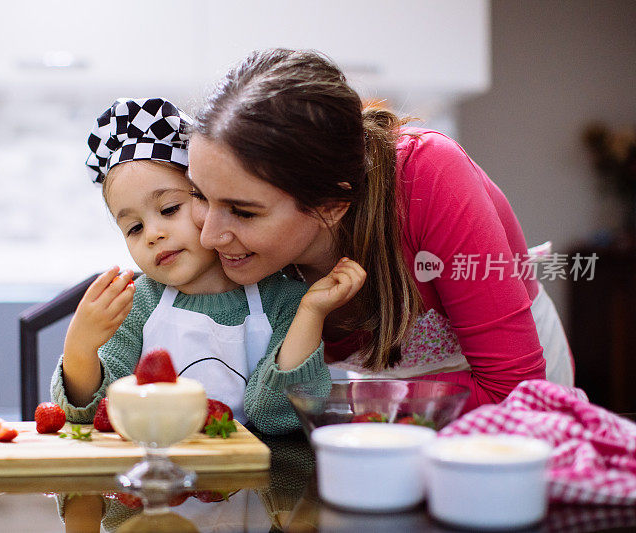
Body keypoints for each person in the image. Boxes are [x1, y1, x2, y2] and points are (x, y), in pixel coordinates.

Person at [186, 49, 574, 412]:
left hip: (510, 406)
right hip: (392, 414)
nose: (208, 236)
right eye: (199, 195)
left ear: (331, 206)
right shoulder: (233, 241)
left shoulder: (429, 178)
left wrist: (352, 400)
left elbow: (514, 391)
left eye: (244, 212)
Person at [50, 97, 353, 434]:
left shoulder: (284, 298)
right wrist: (80, 348)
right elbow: (100, 413)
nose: (152, 234)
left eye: (168, 209)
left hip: (255, 480)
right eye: (134, 228)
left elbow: (276, 417)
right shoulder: (137, 304)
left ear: (207, 199)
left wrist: (311, 313)